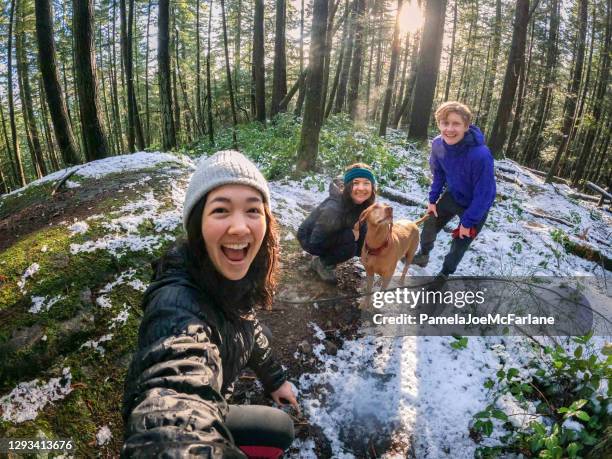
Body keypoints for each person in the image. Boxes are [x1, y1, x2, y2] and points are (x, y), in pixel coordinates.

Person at [122, 150, 297, 458]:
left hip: (218, 388)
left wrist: (276, 380)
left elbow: (248, 323)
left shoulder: (230, 274)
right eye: (221, 210)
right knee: (280, 429)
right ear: (198, 225)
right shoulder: (176, 305)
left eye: (253, 210)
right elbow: (173, 403)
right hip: (203, 408)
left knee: (263, 331)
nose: (240, 227)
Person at [412, 101, 496, 283]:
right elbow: (439, 173)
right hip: (453, 196)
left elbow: (485, 194)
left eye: (456, 123)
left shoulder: (480, 155)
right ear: (439, 124)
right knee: (430, 223)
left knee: (460, 242)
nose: (450, 128)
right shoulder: (437, 145)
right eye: (445, 123)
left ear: (466, 126)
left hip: (475, 206)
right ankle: (423, 255)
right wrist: (432, 200)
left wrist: (468, 221)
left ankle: (444, 273)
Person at [297, 163, 376, 283]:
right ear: (348, 185)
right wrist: (351, 234)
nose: (361, 188)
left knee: (362, 237)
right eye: (356, 183)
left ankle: (335, 253)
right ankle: (321, 263)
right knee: (350, 242)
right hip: (310, 238)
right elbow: (315, 241)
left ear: (372, 187)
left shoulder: (363, 205)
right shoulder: (333, 208)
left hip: (330, 234)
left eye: (366, 183)